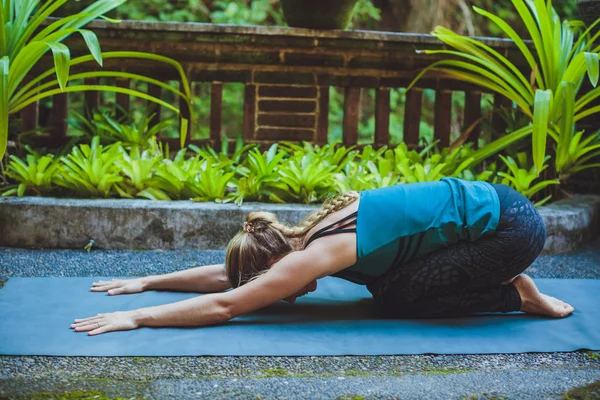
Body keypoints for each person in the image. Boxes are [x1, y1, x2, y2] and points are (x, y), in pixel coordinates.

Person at [71, 178, 574, 336]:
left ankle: (516, 293)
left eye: (270, 288)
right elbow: (231, 281)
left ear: (275, 267)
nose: (278, 298)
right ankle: (506, 281)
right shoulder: (301, 234)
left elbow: (230, 303)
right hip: (501, 207)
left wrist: (137, 318)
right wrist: (149, 280)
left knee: (400, 299)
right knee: (387, 290)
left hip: (513, 231)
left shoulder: (316, 253)